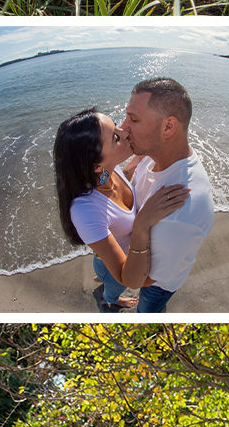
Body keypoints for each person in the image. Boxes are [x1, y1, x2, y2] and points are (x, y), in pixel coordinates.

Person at [54, 107, 191, 312]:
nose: (125, 132)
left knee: (106, 274)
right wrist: (142, 223)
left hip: (110, 256)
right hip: (115, 269)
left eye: (117, 126)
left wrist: (142, 156)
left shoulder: (109, 169)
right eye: (116, 138)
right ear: (96, 166)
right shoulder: (85, 211)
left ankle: (102, 276)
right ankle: (112, 300)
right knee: (114, 287)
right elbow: (131, 279)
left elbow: (124, 174)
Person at [120, 77, 215, 313]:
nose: (123, 128)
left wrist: (141, 227)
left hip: (158, 284)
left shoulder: (180, 214)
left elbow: (144, 280)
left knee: (147, 310)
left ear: (168, 127)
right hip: (143, 255)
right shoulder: (158, 153)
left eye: (133, 119)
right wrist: (130, 166)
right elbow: (143, 160)